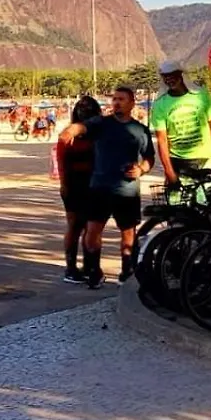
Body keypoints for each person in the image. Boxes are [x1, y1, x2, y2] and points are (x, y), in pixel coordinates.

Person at [60, 86, 155, 288]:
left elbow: (149, 158)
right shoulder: (101, 123)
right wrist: (71, 131)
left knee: (128, 234)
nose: (116, 103)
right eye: (114, 99)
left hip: (127, 190)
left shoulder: (140, 130)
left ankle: (127, 271)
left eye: (121, 99)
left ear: (132, 103)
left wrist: (141, 169)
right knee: (92, 233)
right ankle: (94, 271)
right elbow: (82, 127)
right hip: (99, 189)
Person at [150, 60, 211, 184]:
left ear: (181, 75)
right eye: (166, 77)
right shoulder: (159, 104)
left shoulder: (201, 95)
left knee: (206, 195)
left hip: (205, 160)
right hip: (177, 161)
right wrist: (169, 171)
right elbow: (162, 140)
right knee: (178, 197)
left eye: (172, 75)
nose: (169, 79)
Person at [55, 95, 101, 284]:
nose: (84, 111)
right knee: (75, 226)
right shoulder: (68, 135)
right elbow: (61, 161)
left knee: (90, 227)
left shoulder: (98, 133)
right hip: (74, 183)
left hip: (92, 184)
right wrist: (64, 184)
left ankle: (89, 267)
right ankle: (71, 268)